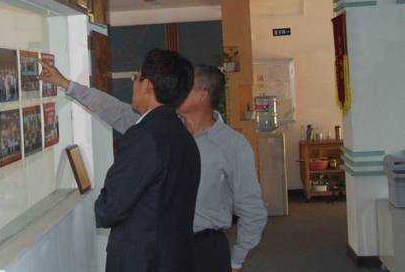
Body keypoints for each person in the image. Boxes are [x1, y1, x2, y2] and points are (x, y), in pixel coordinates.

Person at [39, 61, 267, 272]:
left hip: (203, 251)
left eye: (186, 86)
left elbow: (252, 209)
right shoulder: (164, 129)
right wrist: (66, 84)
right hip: (163, 251)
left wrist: (236, 261)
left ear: (202, 95)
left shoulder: (232, 145)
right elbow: (115, 110)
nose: (177, 90)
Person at [42, 49, 200, 272]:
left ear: (148, 85)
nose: (133, 83)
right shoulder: (183, 136)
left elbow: (109, 209)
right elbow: (112, 109)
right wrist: (66, 83)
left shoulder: (144, 136)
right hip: (172, 259)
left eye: (136, 77)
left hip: (142, 263)